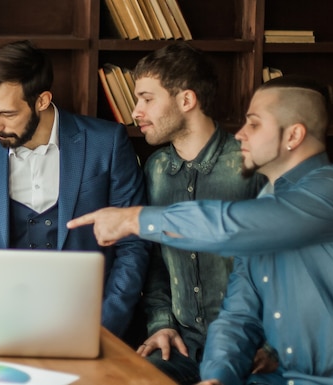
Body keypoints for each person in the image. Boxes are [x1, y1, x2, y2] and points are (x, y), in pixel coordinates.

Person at [68, 75, 333, 384]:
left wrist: (135, 219)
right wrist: (216, 378)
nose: (240, 134)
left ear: (293, 135)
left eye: (253, 124)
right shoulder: (264, 203)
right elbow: (237, 317)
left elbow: (232, 226)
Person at [0, 40, 151, 337]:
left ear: (42, 101)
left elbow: (133, 245)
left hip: (92, 321)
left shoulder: (106, 143)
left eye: (7, 114)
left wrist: (106, 327)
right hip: (4, 325)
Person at [128, 42, 266, 385]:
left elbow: (286, 261)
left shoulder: (251, 164)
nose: (135, 112)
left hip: (250, 349)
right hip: (182, 347)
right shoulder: (155, 169)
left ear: (186, 100)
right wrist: (161, 324)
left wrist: (277, 341)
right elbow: (156, 260)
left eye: (147, 99)